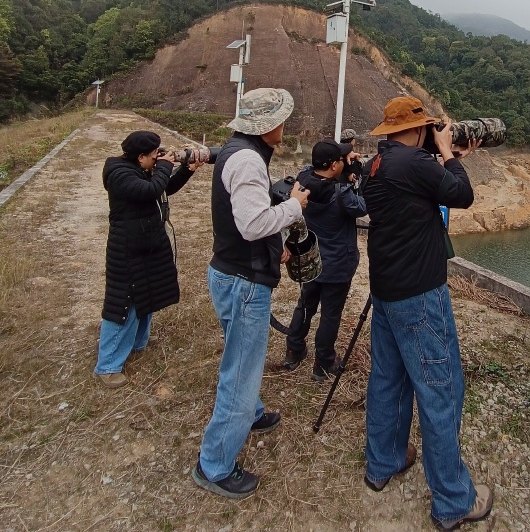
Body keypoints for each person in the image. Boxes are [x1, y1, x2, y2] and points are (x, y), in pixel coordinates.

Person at [361, 96, 492, 530]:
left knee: (387, 379)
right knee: (440, 389)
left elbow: (419, 189)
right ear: (419, 128)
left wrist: (445, 156)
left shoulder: (376, 166)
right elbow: (464, 196)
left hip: (386, 291)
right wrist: (450, 156)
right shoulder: (416, 165)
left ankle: (384, 462)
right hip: (419, 295)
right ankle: (454, 500)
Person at [192, 88, 309, 500]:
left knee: (241, 356)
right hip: (243, 284)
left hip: (231, 273)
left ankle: (252, 413)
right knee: (240, 372)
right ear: (267, 126)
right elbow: (254, 223)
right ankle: (215, 464)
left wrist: (276, 244)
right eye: (281, 119)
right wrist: (294, 206)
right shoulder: (246, 160)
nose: (284, 126)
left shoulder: (236, 151)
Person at [94, 131, 204, 388]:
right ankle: (107, 366)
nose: (158, 160)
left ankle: (137, 343)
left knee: (147, 295)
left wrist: (187, 170)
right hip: (128, 248)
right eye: (154, 156)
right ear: (140, 156)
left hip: (145, 243)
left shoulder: (137, 169)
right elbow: (150, 189)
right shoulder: (119, 174)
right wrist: (166, 165)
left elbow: (163, 188)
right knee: (124, 302)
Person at [283, 139, 367, 381]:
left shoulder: (303, 182)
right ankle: (324, 362)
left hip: (311, 260)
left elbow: (313, 172)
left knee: (305, 306)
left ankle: (293, 351)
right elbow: (362, 206)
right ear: (333, 166)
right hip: (338, 264)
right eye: (340, 160)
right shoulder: (342, 195)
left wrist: (343, 167)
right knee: (330, 314)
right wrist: (357, 176)